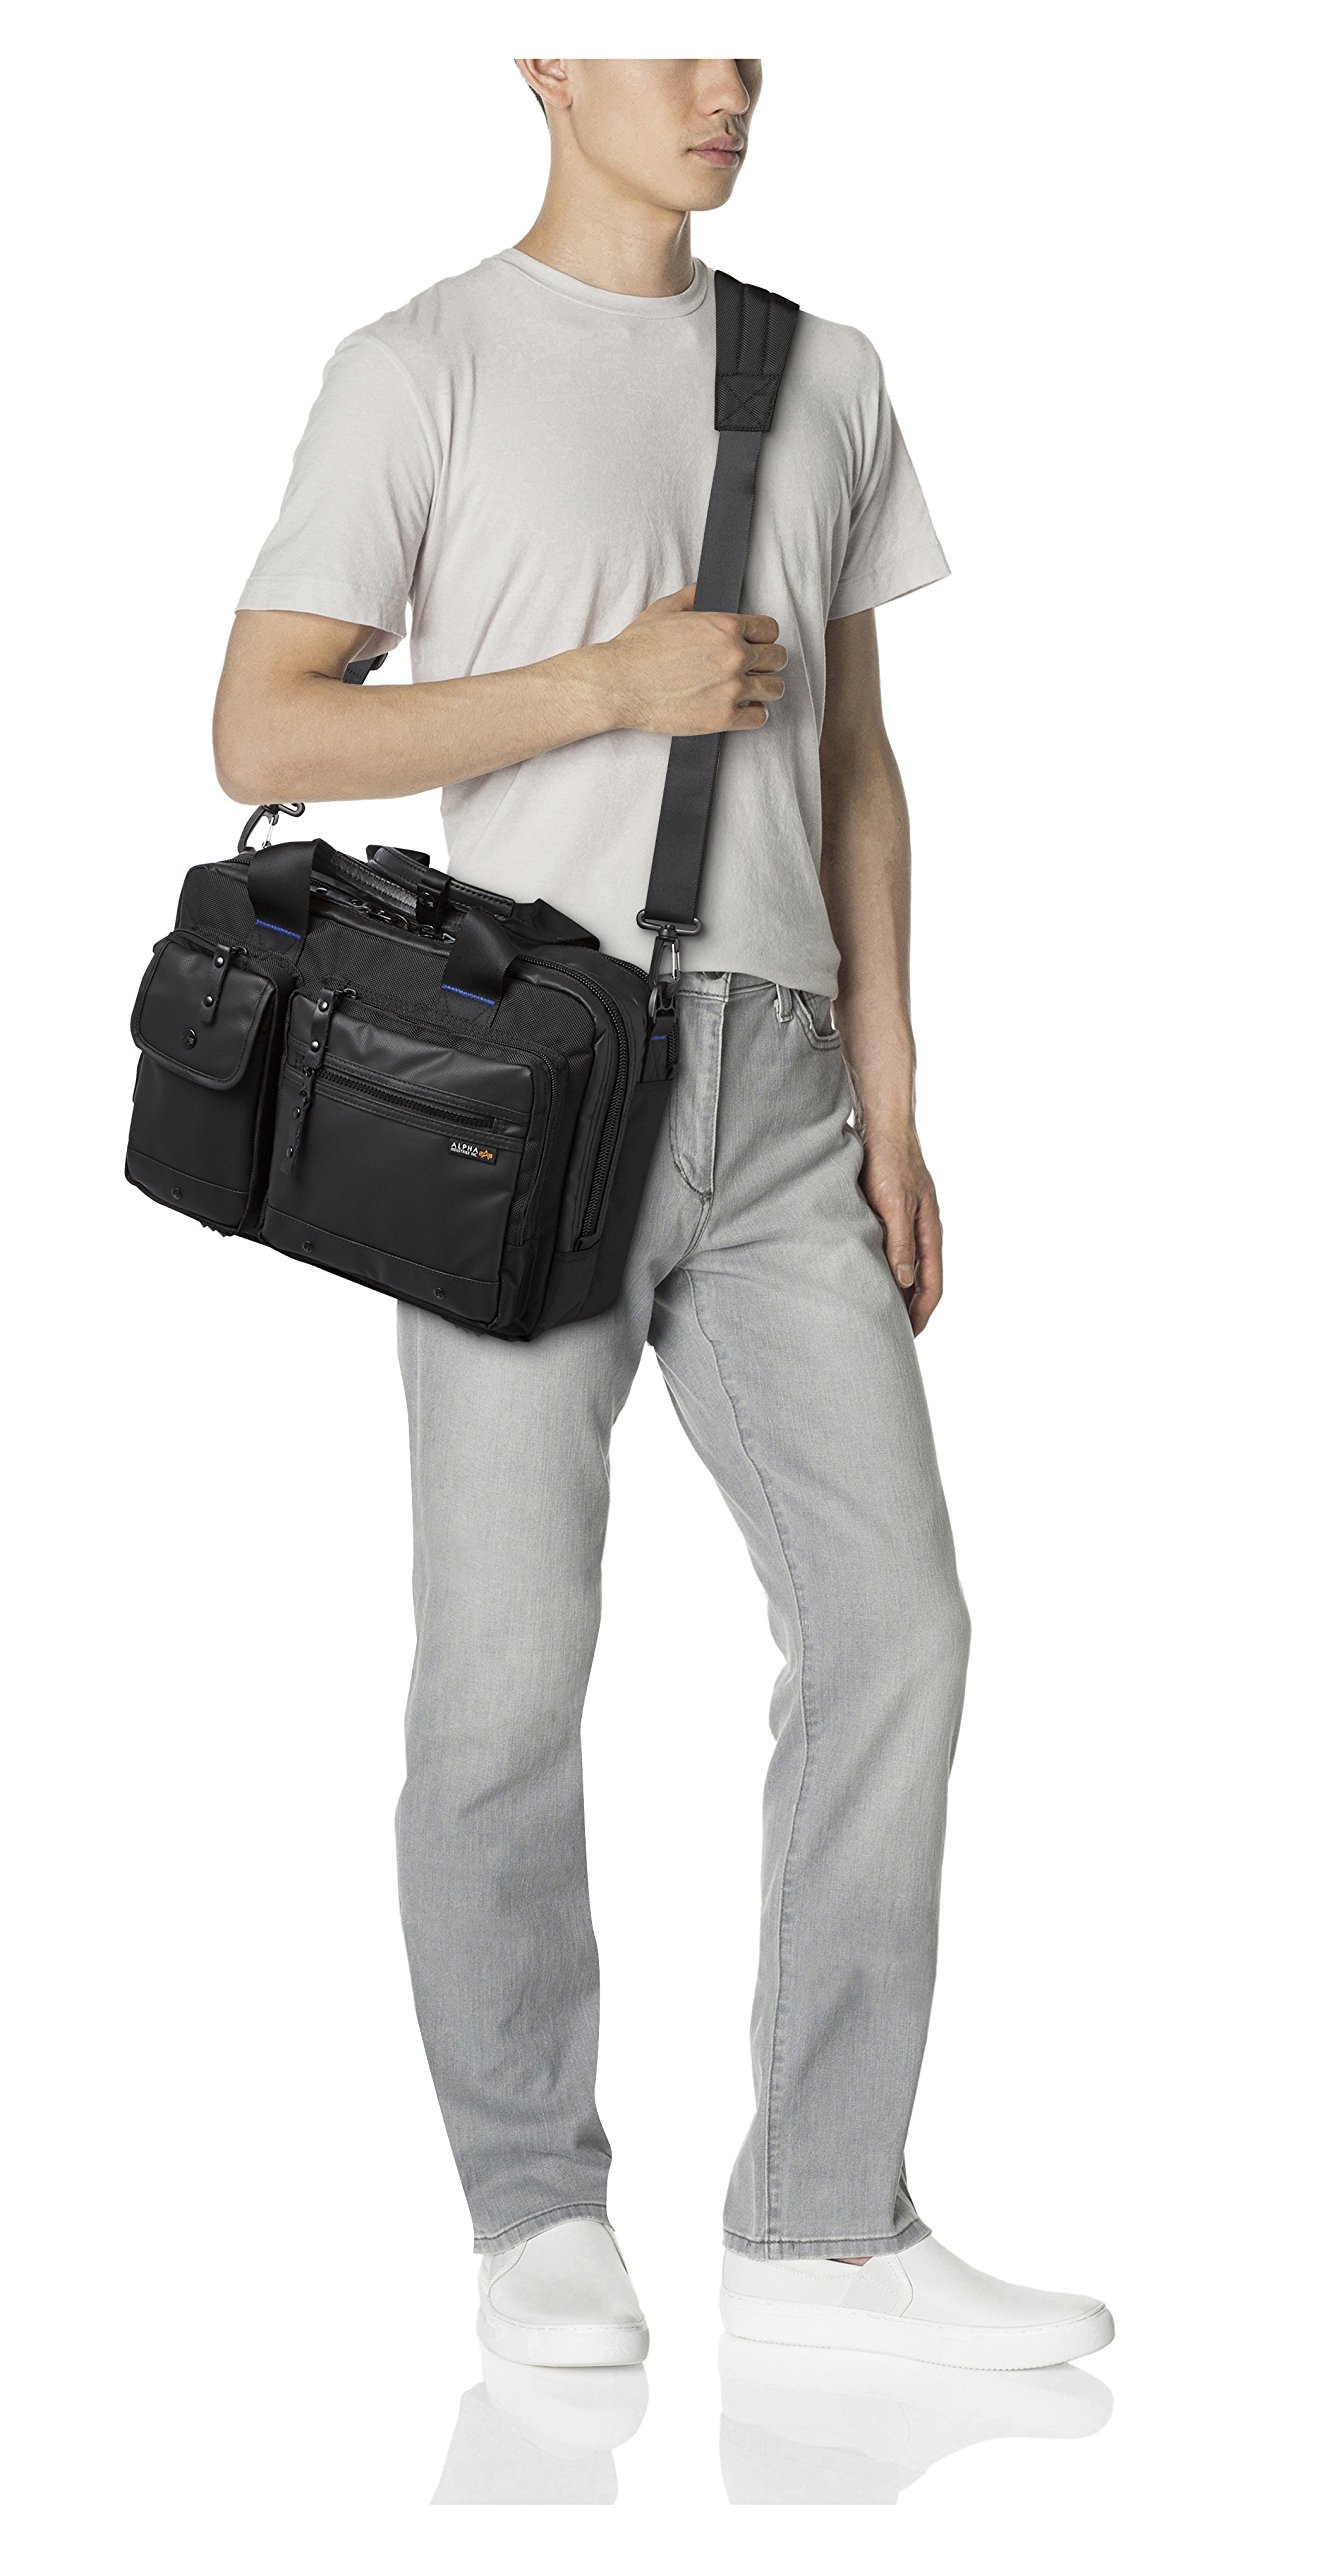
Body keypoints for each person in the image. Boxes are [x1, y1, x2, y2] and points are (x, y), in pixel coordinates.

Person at [214, 56, 1112, 2374]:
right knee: (504, 1672)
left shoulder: (824, 372)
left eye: (745, 46)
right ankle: (532, 2206)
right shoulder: (420, 364)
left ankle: (822, 2225)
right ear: (542, 56)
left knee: (897, 1625)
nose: (722, 84)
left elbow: (857, 765)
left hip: (788, 1094)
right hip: (516, 1087)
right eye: (667, 39)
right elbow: (266, 732)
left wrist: (893, 1093)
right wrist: (598, 685)